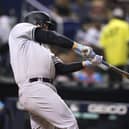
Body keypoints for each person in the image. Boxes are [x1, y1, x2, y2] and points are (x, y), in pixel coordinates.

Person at [8, 11, 102, 129]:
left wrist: (88, 63)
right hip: (35, 88)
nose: (47, 29)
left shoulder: (44, 49)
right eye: (45, 25)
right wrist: (77, 46)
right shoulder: (20, 29)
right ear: (36, 22)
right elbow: (50, 36)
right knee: (69, 124)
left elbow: (61, 68)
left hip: (41, 89)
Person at [99, 8, 129, 87]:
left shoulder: (106, 28)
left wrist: (104, 58)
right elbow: (128, 41)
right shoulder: (125, 25)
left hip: (109, 59)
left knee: (111, 82)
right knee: (120, 82)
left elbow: (102, 46)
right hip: (121, 57)